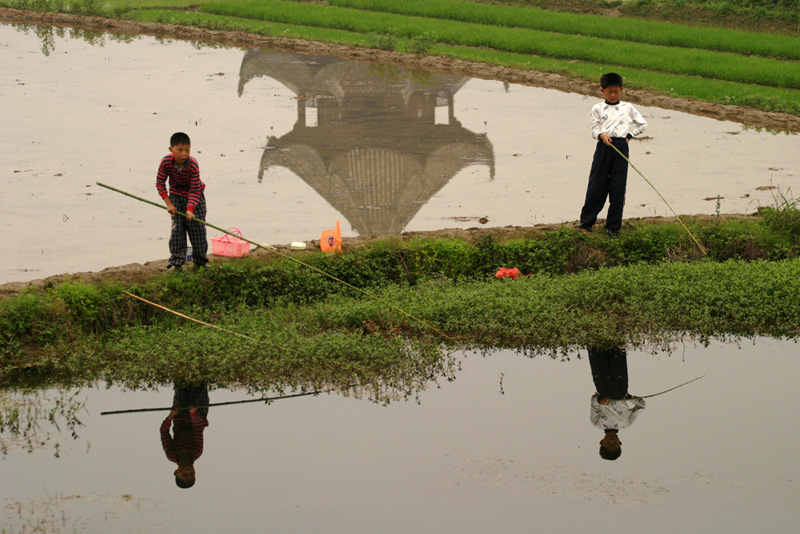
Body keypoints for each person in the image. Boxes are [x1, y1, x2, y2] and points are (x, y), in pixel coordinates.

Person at [579, 73, 648, 238]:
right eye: (609, 92)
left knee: (618, 187)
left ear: (621, 90)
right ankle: (586, 223)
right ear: (602, 91)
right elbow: (594, 129)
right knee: (597, 185)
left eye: (616, 92)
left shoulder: (627, 108)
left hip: (621, 147)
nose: (613, 95)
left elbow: (642, 124)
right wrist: (602, 135)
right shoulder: (597, 108)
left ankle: (613, 227)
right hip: (604, 147)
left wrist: (629, 136)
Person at [156, 132, 209, 271]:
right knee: (177, 232)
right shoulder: (166, 162)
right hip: (175, 197)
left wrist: (190, 209)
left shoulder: (192, 165)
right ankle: (177, 263)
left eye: (187, 149)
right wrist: (169, 204)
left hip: (195, 199)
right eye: (180, 150)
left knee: (197, 231)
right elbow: (160, 183)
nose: (184, 154)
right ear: (171, 149)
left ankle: (200, 262)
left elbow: (195, 190)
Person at [587, 345, 646, 460]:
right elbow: (641, 405)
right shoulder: (627, 423)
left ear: (601, 442)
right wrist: (628, 397)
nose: (612, 441)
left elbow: (594, 401)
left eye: (609, 444)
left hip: (602, 387)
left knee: (597, 354)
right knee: (617, 354)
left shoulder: (597, 423)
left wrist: (600, 401)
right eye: (615, 444)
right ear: (620, 442)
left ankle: (594, 340)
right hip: (620, 388)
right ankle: (617, 340)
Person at [160, 383, 210, 488]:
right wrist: (193, 413)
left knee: (180, 384)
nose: (188, 470)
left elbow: (164, 431)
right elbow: (198, 428)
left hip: (179, 416)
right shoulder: (197, 451)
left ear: (176, 472)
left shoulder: (171, 454)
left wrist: (172, 415)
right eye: (192, 474)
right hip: (198, 415)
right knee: (201, 383)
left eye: (184, 474)